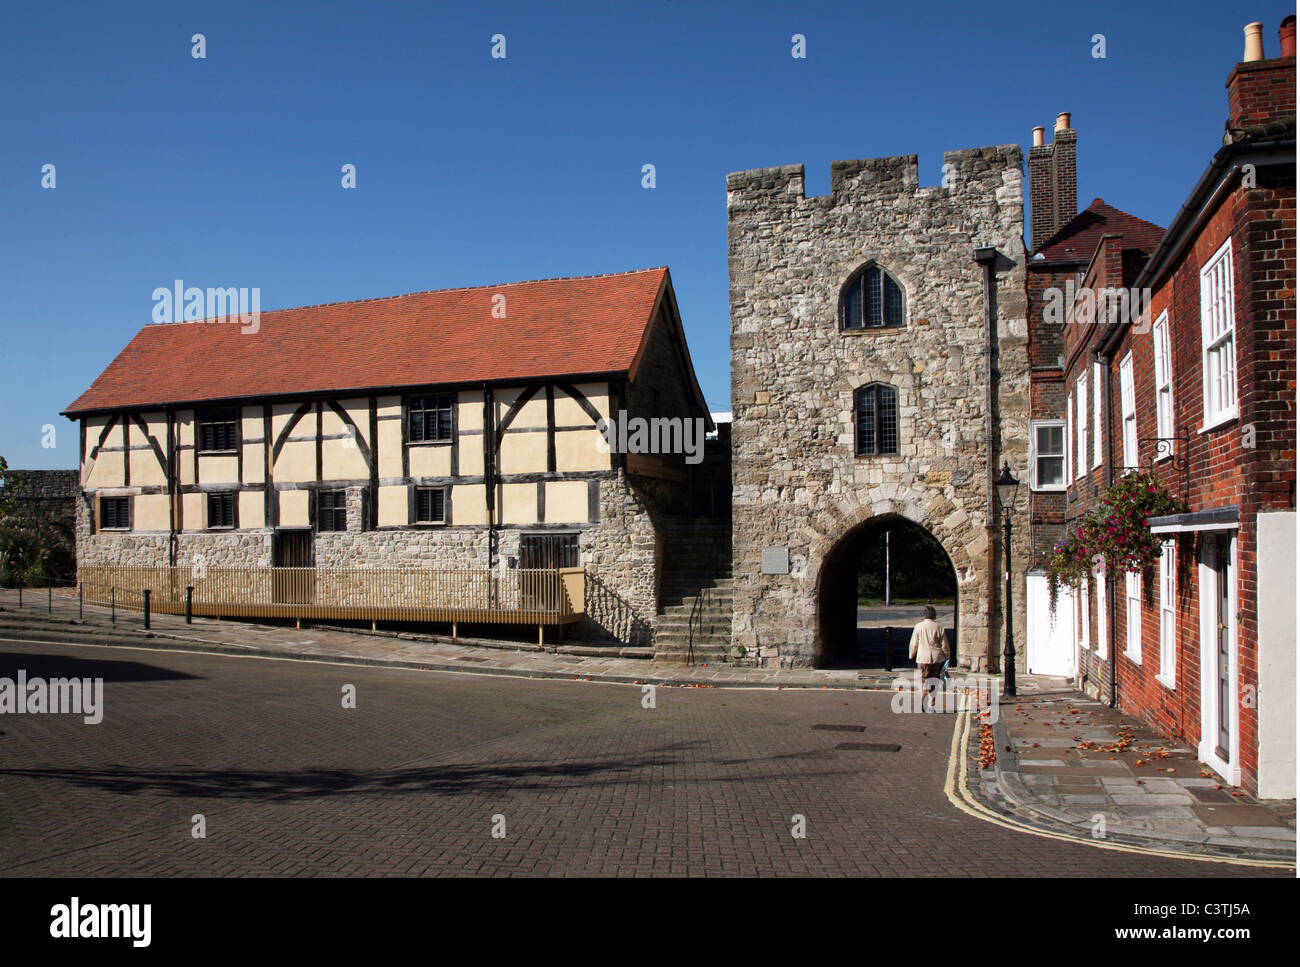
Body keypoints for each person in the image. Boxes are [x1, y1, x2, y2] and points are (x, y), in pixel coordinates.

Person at [908, 605, 950, 710]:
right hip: (937, 658)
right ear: (934, 615)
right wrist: (947, 656)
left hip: (923, 658)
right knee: (935, 680)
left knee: (923, 680)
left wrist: (911, 654)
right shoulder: (940, 627)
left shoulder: (918, 626)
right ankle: (932, 703)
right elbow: (945, 645)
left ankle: (921, 700)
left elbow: (914, 643)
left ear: (924, 615)